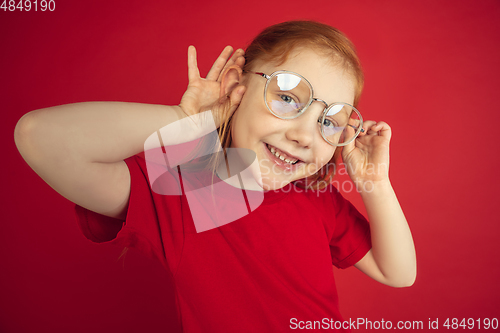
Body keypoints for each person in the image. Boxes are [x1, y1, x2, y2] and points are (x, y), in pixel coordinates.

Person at [14, 21, 416, 332]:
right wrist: (185, 121)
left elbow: (397, 273)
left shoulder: (317, 199)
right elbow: (39, 137)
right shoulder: (189, 189)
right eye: (288, 98)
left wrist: (375, 184)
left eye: (330, 120)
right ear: (236, 89)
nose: (304, 135)